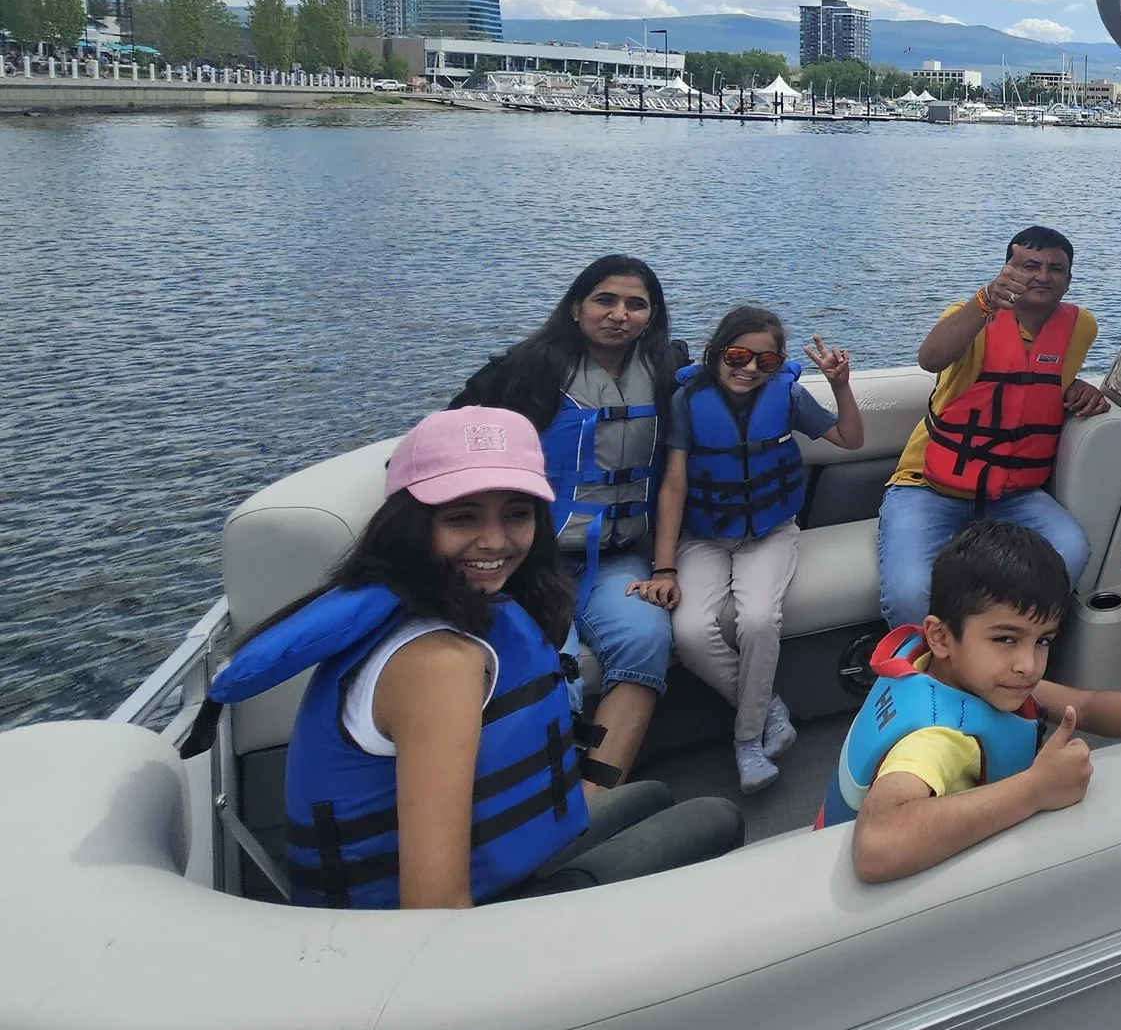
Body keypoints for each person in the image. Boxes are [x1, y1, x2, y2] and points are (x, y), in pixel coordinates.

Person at [204, 408, 743, 908]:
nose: (495, 541)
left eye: (516, 514)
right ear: (412, 524)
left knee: (651, 795)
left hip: (497, 869)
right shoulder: (440, 663)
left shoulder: (438, 603)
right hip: (431, 941)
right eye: (463, 518)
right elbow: (433, 910)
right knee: (714, 818)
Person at [825, 522, 1121, 881]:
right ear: (940, 637)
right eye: (1006, 639)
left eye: (1043, 641)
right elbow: (876, 846)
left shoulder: (952, 671)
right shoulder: (937, 739)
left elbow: (1083, 705)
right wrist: (1035, 790)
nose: (1028, 665)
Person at [451, 254, 686, 784]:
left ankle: (597, 793)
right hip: (531, 560)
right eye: (605, 300)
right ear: (577, 307)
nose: (619, 314)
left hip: (619, 557)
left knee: (647, 636)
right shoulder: (529, 369)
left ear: (652, 315)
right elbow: (453, 431)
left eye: (635, 304)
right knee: (549, 660)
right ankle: (538, 795)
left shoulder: (668, 371)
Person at [638, 306, 863, 795]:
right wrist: (665, 566)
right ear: (717, 353)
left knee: (759, 619)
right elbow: (674, 486)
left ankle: (747, 742)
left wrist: (841, 385)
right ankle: (770, 708)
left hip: (770, 532)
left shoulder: (789, 395)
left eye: (765, 361)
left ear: (778, 364)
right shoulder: (687, 400)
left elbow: (850, 439)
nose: (749, 368)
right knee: (691, 630)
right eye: (738, 355)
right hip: (703, 536)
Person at [874, 227, 1108, 630]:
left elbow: (1042, 378)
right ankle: (930, 681)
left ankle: (998, 650)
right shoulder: (971, 316)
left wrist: (1082, 389)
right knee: (910, 594)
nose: (1043, 275)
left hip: (1014, 495)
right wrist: (984, 300)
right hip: (929, 486)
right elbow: (930, 358)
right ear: (1007, 269)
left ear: (1069, 280)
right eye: (1030, 265)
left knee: (1070, 549)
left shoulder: (1081, 327)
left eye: (1057, 268)